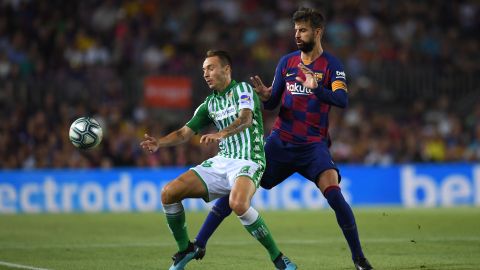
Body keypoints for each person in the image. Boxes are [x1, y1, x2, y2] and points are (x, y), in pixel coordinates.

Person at [191, 8, 374, 270]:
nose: (297, 35)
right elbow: (274, 101)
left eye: (303, 30)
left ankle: (359, 259)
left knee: (334, 194)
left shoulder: (332, 66)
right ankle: (200, 242)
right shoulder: (287, 62)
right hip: (280, 143)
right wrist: (266, 95)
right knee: (239, 186)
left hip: (313, 146)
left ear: (318, 32)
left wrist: (317, 88)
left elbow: (342, 100)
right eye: (296, 30)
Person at [140, 50, 297, 270]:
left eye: (211, 68)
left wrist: (222, 133)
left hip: (249, 159)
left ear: (226, 69)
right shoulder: (208, 105)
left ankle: (278, 258)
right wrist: (160, 143)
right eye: (204, 69)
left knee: (238, 204)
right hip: (222, 161)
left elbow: (245, 119)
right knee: (168, 193)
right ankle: (186, 248)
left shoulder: (243, 89)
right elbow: (184, 133)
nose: (206, 73)